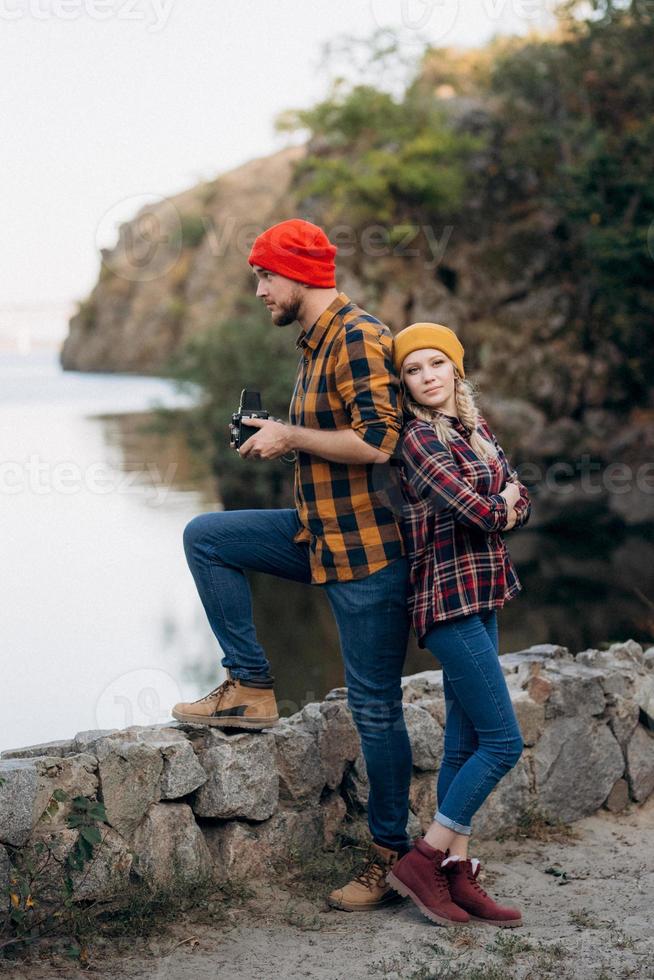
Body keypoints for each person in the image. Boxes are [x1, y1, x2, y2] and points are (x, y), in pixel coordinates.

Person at [171, 219, 413, 909]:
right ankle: (248, 684)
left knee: (376, 710)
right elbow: (329, 436)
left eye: (264, 277)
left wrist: (291, 435)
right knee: (207, 535)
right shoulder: (316, 344)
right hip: (316, 535)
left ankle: (389, 861)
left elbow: (378, 442)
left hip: (367, 553)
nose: (257, 291)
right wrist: (273, 433)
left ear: (299, 274)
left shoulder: (359, 334)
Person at [386, 322, 531, 928]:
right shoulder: (417, 439)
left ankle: (456, 875)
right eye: (413, 370)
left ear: (454, 368)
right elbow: (483, 507)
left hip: (484, 591)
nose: (426, 377)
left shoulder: (474, 428)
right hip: (445, 599)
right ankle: (425, 857)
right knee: (504, 742)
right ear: (406, 382)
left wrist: (505, 503)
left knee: (464, 743)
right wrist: (504, 501)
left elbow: (522, 501)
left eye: (435, 365)